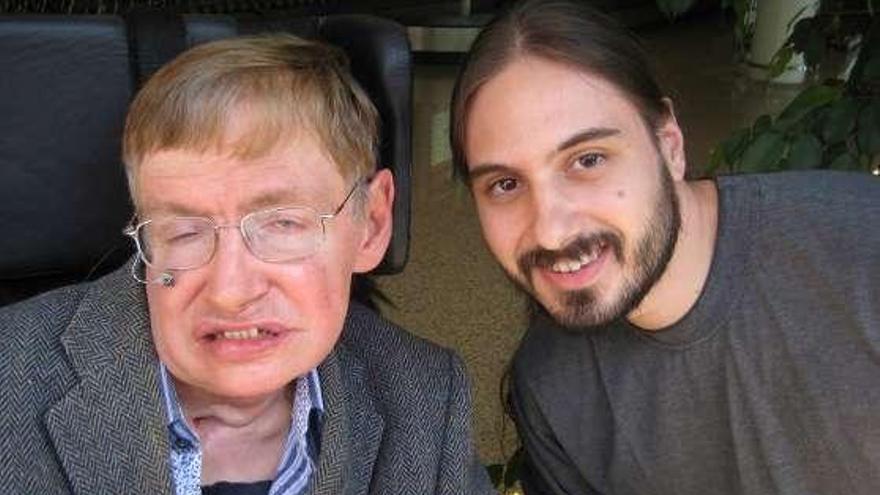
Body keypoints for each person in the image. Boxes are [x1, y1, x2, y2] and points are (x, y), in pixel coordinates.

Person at [0, 34, 494, 495]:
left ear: (372, 224)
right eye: (184, 232)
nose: (230, 291)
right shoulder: (11, 379)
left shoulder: (425, 396)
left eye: (282, 224)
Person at [449, 0, 880, 493]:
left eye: (588, 159)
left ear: (669, 145)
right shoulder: (552, 384)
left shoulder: (864, 246)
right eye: (505, 184)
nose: (551, 231)